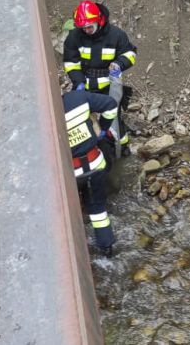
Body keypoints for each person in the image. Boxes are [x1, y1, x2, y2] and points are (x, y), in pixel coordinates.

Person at [63, 0, 137, 148]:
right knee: (79, 117)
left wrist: (119, 64)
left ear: (99, 20)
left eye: (89, 27)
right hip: (85, 85)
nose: (86, 30)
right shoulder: (74, 37)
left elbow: (130, 53)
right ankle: (86, 147)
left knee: (113, 118)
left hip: (109, 86)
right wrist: (78, 82)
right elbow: (71, 62)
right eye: (83, 27)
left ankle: (122, 148)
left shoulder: (116, 35)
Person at [62, 89, 119, 256]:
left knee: (69, 212)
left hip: (69, 174)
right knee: (97, 209)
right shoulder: (78, 98)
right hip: (95, 165)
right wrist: (103, 129)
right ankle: (107, 249)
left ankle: (75, 251)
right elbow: (111, 105)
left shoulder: (43, 116)